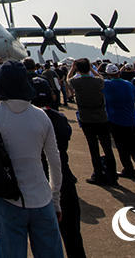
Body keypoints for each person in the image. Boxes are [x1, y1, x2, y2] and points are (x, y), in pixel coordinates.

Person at [0, 61, 64, 258]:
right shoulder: (42, 116)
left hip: (9, 200)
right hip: (42, 198)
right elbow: (54, 162)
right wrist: (55, 200)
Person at [30, 77, 85, 258]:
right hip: (63, 179)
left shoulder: (28, 122)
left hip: (38, 181)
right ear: (52, 96)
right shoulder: (60, 119)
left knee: (43, 237)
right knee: (72, 234)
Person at [67, 59, 117, 185]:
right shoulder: (97, 81)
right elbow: (100, 76)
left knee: (93, 148)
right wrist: (92, 69)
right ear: (88, 68)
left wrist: (72, 69)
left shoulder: (76, 82)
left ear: (77, 69)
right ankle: (113, 174)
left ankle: (98, 175)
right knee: (107, 148)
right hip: (102, 118)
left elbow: (68, 79)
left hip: (86, 120)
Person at [102, 63, 135, 178]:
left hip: (115, 121)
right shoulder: (128, 84)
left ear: (108, 74)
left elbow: (98, 80)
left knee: (123, 149)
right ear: (119, 72)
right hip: (131, 121)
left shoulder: (106, 84)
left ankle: (128, 170)